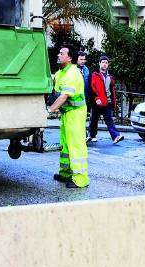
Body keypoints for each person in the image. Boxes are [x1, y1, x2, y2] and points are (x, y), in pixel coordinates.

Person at [47, 45, 89, 189]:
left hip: (76, 113)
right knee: (66, 144)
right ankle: (65, 173)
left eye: (61, 53)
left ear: (70, 58)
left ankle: (81, 179)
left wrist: (50, 110)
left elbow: (64, 96)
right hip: (67, 113)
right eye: (59, 52)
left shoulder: (72, 73)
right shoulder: (61, 72)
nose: (58, 55)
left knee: (76, 145)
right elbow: (52, 83)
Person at [89, 55, 123, 144]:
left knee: (109, 120)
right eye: (103, 62)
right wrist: (96, 98)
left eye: (106, 63)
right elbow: (92, 87)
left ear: (108, 65)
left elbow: (112, 90)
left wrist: (114, 102)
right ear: (99, 63)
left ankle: (116, 136)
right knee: (94, 119)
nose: (104, 64)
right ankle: (92, 135)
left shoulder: (110, 77)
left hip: (107, 102)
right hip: (97, 102)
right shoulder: (94, 75)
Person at [77, 51, 93, 141]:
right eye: (81, 59)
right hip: (76, 97)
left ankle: (84, 135)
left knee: (82, 117)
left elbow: (87, 83)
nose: (83, 61)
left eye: (84, 59)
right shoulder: (74, 69)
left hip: (84, 97)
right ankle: (83, 135)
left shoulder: (86, 69)